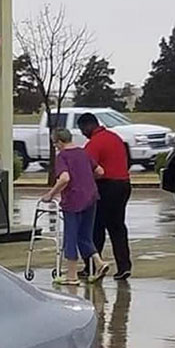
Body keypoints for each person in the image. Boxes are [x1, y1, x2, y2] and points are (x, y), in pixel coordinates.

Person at [41, 128, 109, 286]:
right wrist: (85, 178)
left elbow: (64, 178)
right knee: (85, 236)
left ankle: (71, 276)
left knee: (70, 237)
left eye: (54, 143)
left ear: (59, 141)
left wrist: (50, 194)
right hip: (91, 197)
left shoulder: (62, 156)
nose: (55, 146)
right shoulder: (83, 153)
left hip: (73, 200)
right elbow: (100, 171)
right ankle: (99, 263)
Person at [78, 112, 132, 280]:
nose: (82, 133)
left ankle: (92, 266)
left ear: (89, 126)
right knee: (117, 227)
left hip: (106, 186)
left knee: (96, 228)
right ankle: (124, 266)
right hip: (124, 184)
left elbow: (88, 170)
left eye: (82, 129)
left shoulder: (94, 144)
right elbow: (127, 160)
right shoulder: (115, 137)